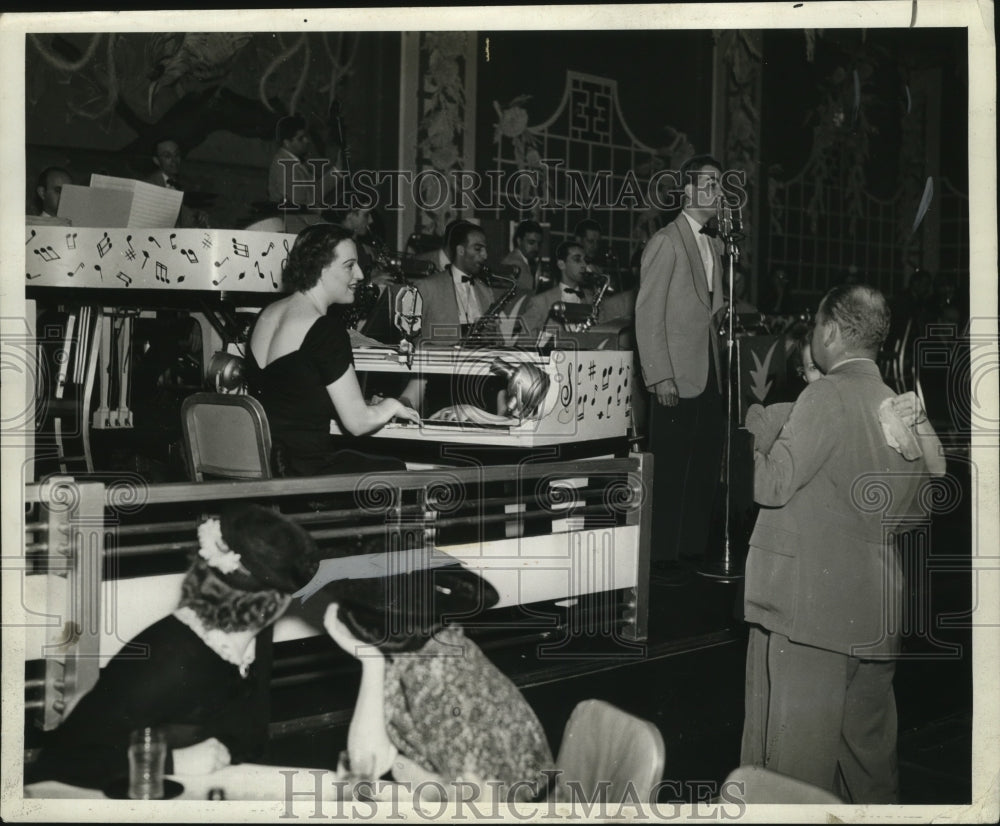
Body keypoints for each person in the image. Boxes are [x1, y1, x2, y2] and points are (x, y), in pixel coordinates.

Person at [739, 284, 934, 803]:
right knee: (869, 774)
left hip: (811, 619)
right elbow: (918, 508)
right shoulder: (899, 405)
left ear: (828, 332)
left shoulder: (823, 394)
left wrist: (755, 429)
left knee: (792, 780)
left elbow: (770, 484)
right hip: (875, 620)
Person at [32, 504, 319, 790]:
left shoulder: (256, 638)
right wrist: (172, 762)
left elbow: (250, 744)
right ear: (276, 604)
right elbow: (60, 763)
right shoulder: (167, 658)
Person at [318, 558, 553, 801]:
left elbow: (476, 806)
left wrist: (411, 776)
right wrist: (371, 662)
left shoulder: (442, 680)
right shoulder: (413, 653)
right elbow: (367, 763)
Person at [245, 223, 419, 477]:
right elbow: (357, 423)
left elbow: (291, 393)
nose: (360, 274)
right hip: (305, 473)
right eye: (349, 265)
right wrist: (391, 405)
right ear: (321, 270)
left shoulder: (266, 314)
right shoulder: (325, 330)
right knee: (398, 469)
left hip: (266, 467)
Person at [635, 153, 726, 566]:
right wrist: (660, 378)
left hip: (708, 374)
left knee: (702, 466)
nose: (719, 192)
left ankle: (690, 552)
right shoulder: (666, 241)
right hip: (674, 377)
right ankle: (660, 560)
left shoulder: (714, 245)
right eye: (710, 184)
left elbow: (711, 311)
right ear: (687, 191)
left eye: (721, 185)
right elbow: (648, 313)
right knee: (670, 473)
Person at [746, 321, 946, 475]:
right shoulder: (781, 416)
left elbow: (937, 469)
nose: (825, 376)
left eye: (830, 366)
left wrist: (920, 418)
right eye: (814, 368)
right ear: (804, 375)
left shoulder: (873, 413)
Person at [516, 240, 598, 346]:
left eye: (585, 260)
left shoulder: (592, 301)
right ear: (561, 264)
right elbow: (523, 344)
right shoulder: (540, 302)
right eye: (577, 259)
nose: (584, 265)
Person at [145, 137, 210, 228]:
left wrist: (198, 217)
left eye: (176, 155)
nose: (174, 160)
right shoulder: (149, 185)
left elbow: (184, 217)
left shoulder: (180, 184)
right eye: (167, 156)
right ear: (156, 161)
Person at [501, 219, 549, 301]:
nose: (536, 248)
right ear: (519, 241)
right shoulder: (514, 263)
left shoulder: (524, 261)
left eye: (539, 244)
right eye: (531, 242)